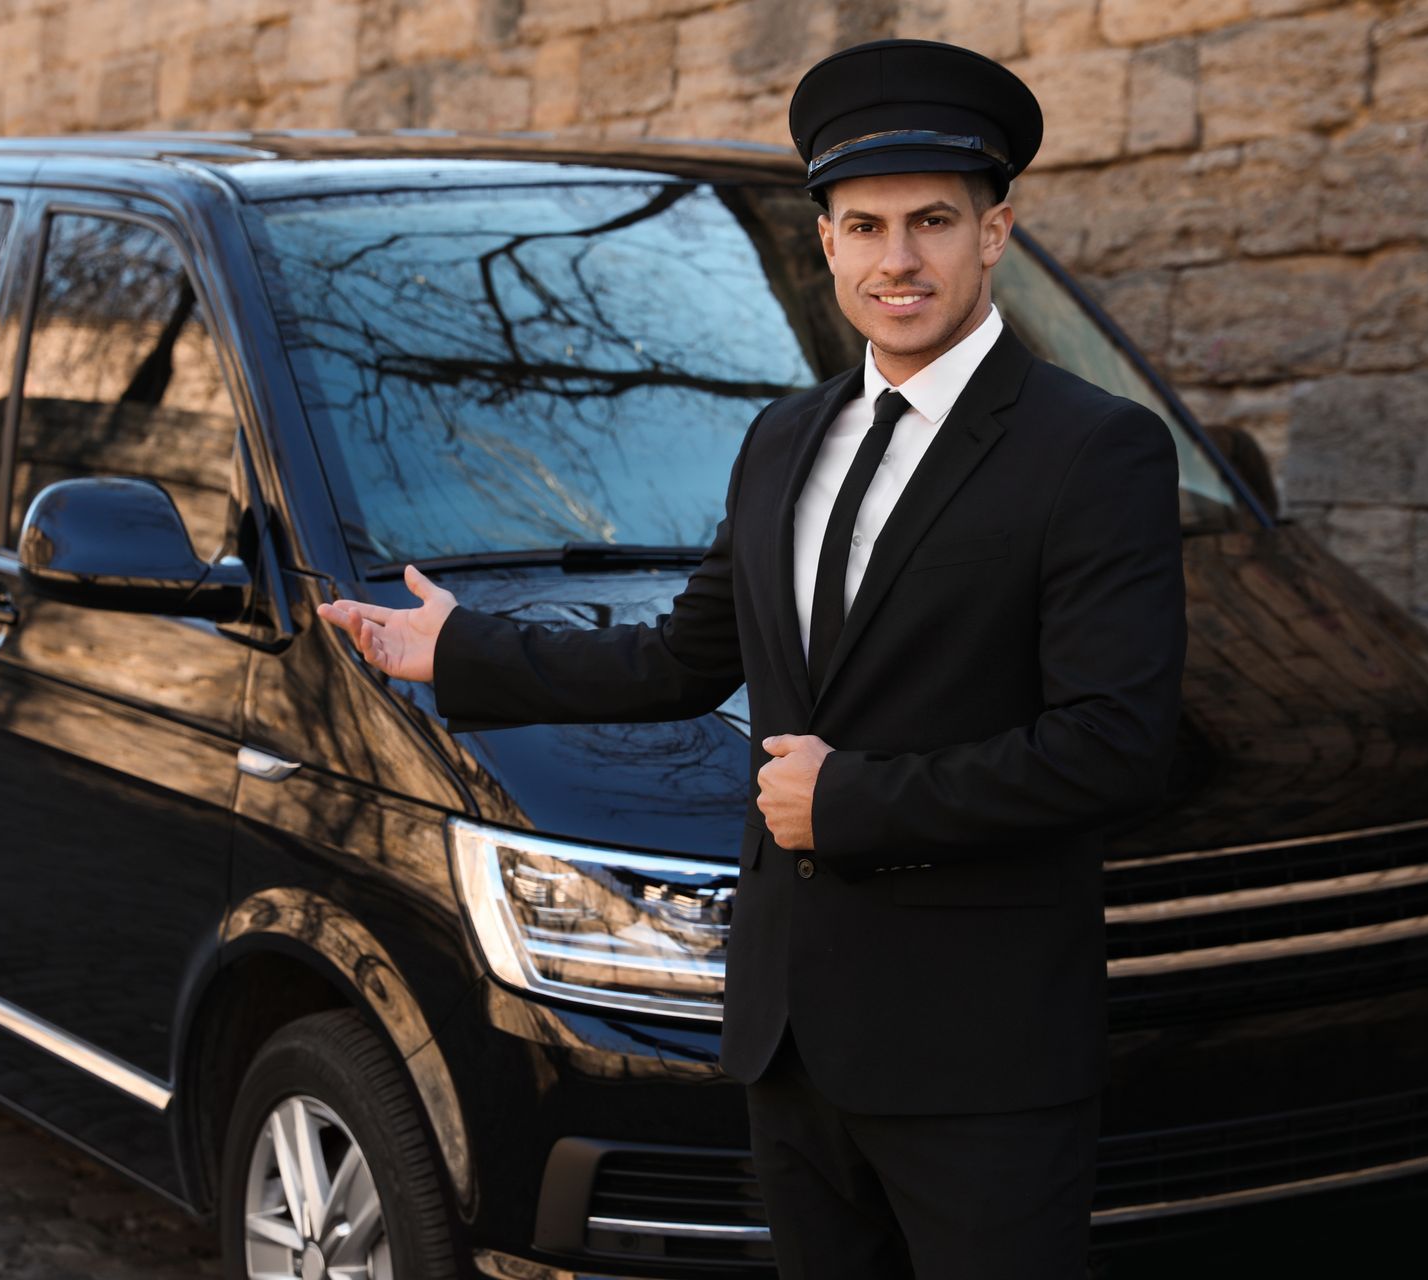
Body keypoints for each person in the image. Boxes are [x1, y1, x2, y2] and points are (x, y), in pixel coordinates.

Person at [316, 37, 1186, 1280]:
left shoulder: (1093, 450)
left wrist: (854, 800)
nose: (900, 259)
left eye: (934, 220)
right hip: (791, 1042)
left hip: (980, 1059)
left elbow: (1118, 745)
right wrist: (462, 650)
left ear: (995, 232)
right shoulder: (784, 439)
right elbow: (682, 657)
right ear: (824, 242)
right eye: (867, 225)